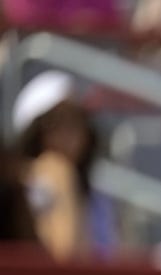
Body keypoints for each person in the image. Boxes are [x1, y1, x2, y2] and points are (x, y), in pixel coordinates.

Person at [12, 70, 119, 263]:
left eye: (77, 120)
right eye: (57, 121)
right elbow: (67, 256)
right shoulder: (18, 188)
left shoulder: (97, 195)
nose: (70, 133)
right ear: (35, 131)